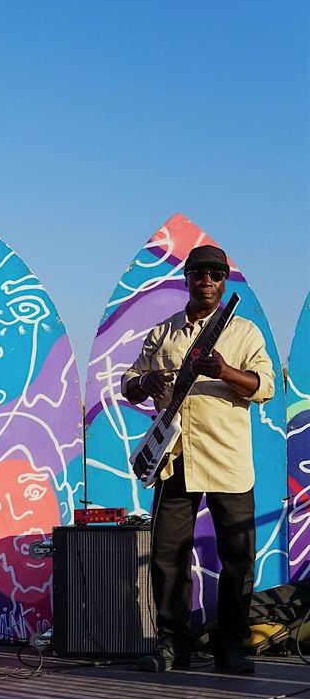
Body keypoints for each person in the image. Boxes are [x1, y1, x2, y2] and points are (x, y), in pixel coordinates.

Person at [122, 244, 273, 674]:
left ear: (225, 281)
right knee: (168, 556)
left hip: (227, 459)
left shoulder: (244, 332)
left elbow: (264, 387)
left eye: (216, 274)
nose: (207, 280)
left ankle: (230, 646)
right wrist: (146, 380)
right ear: (187, 279)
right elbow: (129, 384)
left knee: (238, 556)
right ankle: (174, 646)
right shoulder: (163, 333)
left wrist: (224, 371)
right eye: (199, 273)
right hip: (175, 458)